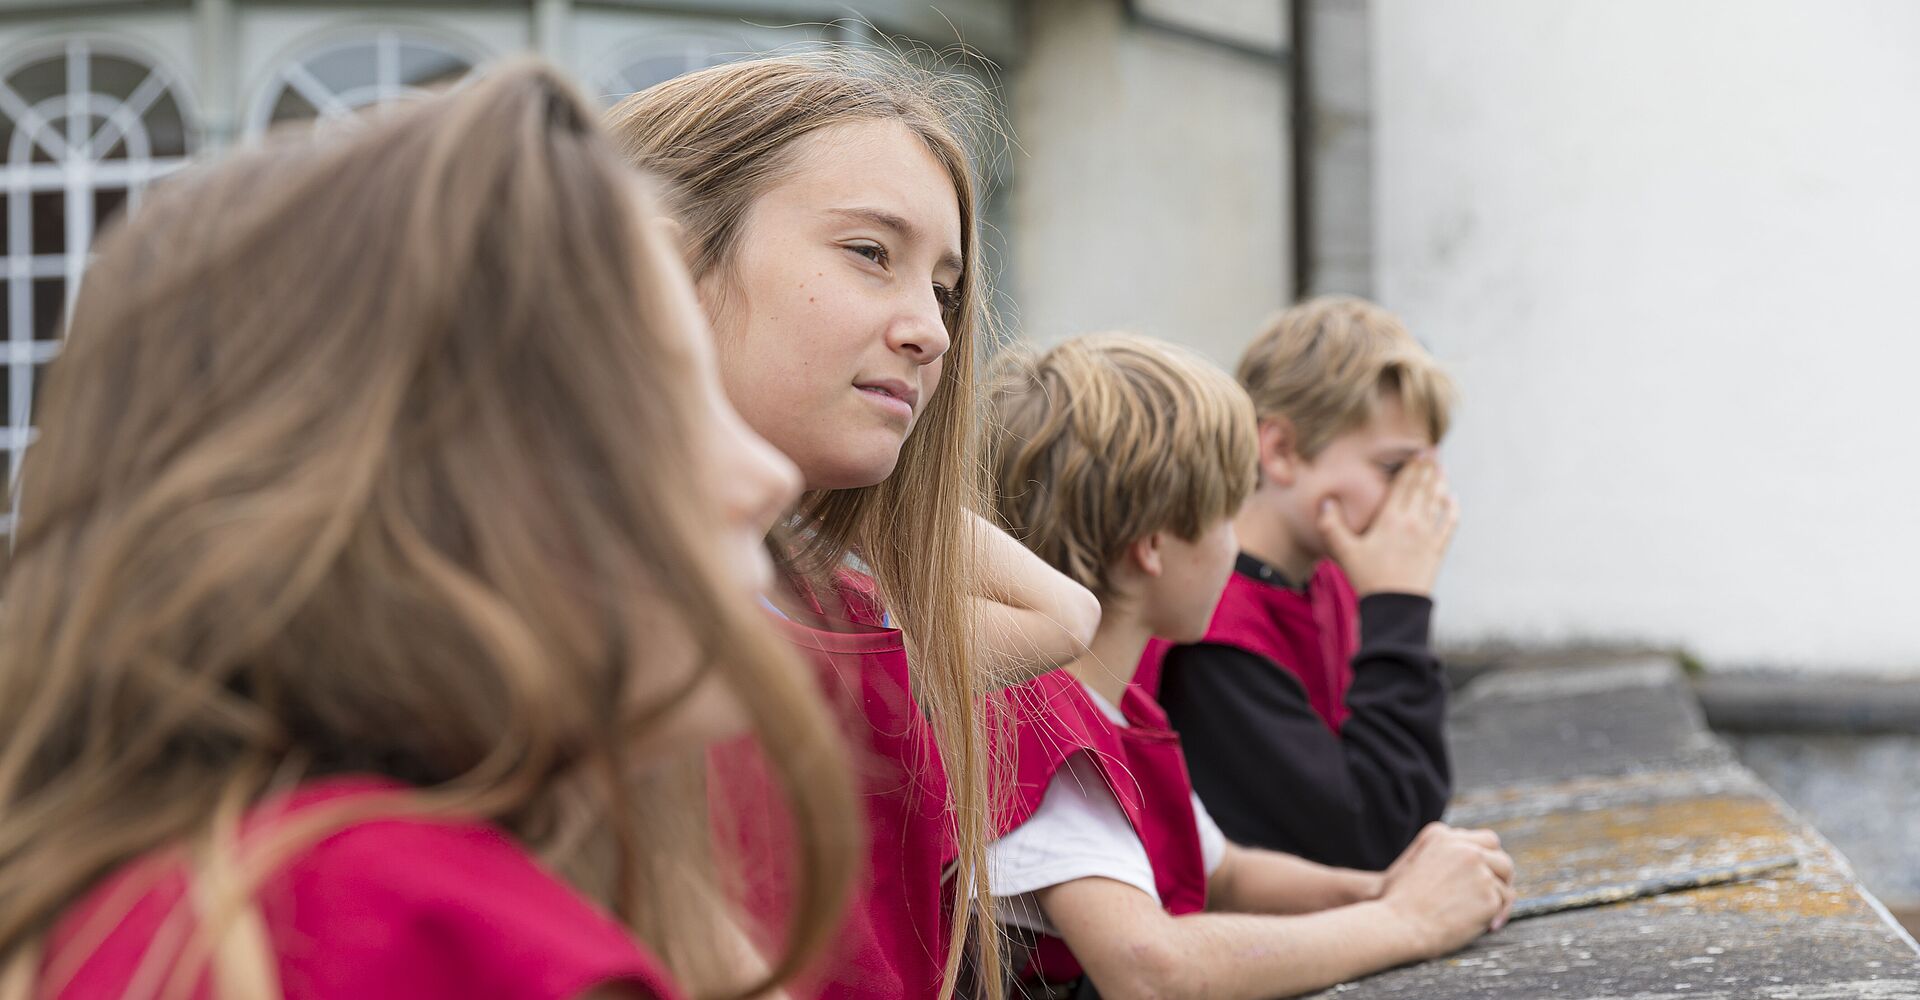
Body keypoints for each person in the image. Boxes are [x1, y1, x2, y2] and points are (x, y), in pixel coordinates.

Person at [0, 60, 857, 1000]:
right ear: (416, 484)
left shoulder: (141, 906)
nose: (768, 479)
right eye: (662, 399)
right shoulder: (427, 933)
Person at [608, 49, 1100, 1000]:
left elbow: (1063, 617)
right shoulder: (571, 613)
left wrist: (847, 497)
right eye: (872, 253)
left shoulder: (829, 602)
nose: (934, 331)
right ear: (665, 271)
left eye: (946, 288)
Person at [983, 333, 1511, 999]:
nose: (1237, 544)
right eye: (1225, 515)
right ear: (1153, 547)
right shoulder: (1039, 722)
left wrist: (1389, 886)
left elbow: (1228, 871)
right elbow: (1148, 968)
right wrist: (1404, 920)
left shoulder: (1115, 707)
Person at [1141, 295, 1461, 871]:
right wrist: (1399, 605)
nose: (1425, 500)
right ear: (1282, 450)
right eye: (1394, 469)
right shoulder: (1212, 630)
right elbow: (1378, 833)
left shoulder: (1332, 576)